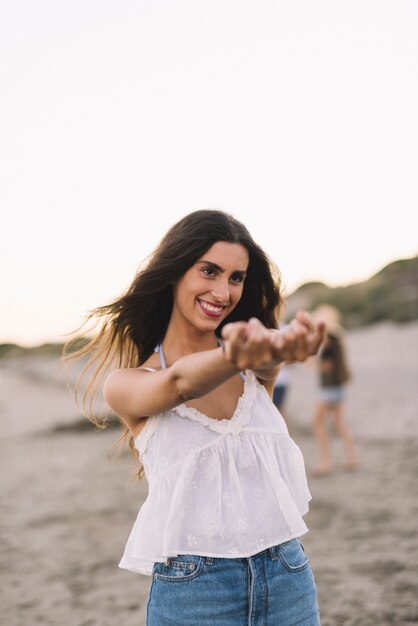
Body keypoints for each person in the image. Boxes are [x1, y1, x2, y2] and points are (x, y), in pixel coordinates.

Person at [66, 209, 325, 625]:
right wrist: (233, 354)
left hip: (288, 575)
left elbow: (269, 348)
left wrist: (283, 344)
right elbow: (179, 384)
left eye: (236, 277)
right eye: (209, 271)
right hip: (195, 591)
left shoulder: (255, 368)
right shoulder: (129, 384)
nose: (222, 292)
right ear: (174, 272)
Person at [311, 306, 358, 475]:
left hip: (329, 389)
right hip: (338, 387)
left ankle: (326, 461)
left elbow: (326, 367)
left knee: (317, 423)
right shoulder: (338, 338)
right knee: (339, 423)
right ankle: (351, 457)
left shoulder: (329, 341)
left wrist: (310, 362)